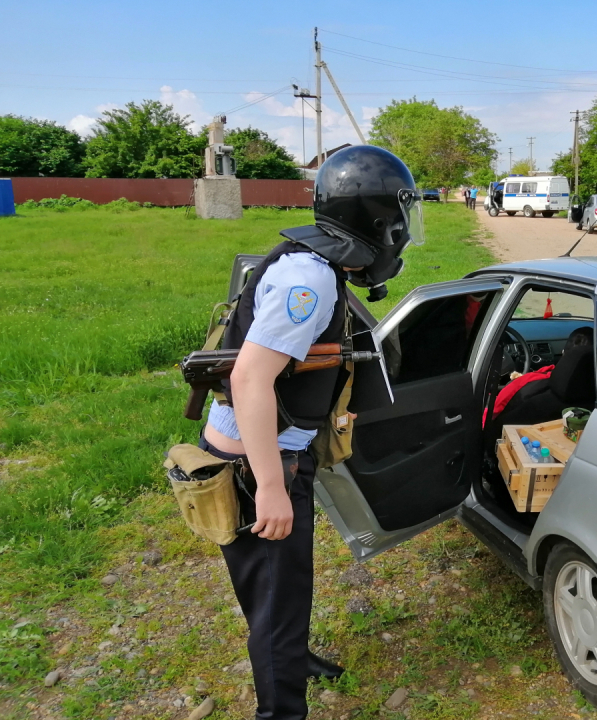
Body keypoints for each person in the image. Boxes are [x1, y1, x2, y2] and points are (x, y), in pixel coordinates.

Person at [200, 145, 424, 720]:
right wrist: (271, 487)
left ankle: (291, 658)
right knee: (279, 602)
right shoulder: (311, 282)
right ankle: (281, 705)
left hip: (264, 453)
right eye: (398, 219)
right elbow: (250, 379)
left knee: (279, 592)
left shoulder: (313, 263)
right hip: (256, 464)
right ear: (375, 219)